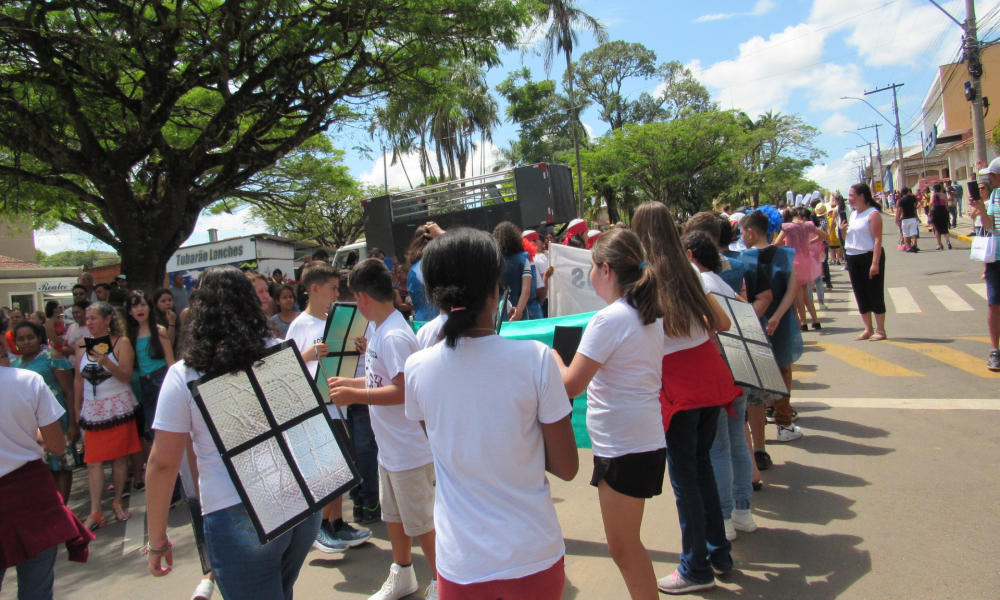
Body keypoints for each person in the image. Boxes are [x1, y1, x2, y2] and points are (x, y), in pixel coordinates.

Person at [406, 228, 578, 599]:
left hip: (460, 564)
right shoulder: (537, 359)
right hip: (534, 554)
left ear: (435, 295)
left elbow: (445, 447)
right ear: (496, 290)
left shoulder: (417, 370)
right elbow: (567, 467)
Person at [145, 265, 321, 599]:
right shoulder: (281, 350)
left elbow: (163, 464)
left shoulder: (185, 375)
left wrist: (157, 542)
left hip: (237, 512)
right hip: (302, 500)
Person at [551, 228, 668, 598]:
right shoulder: (642, 313)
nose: (589, 274)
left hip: (625, 447)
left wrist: (551, 356)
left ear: (606, 269)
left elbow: (571, 384)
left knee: (623, 548)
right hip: (638, 441)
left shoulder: (609, 320)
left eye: (591, 266)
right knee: (626, 545)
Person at [632, 205, 740, 594]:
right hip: (709, 377)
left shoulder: (644, 278)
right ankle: (719, 553)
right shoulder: (691, 271)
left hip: (676, 388)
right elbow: (723, 324)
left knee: (685, 481)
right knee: (702, 468)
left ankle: (696, 567)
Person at [329, 259, 438, 600]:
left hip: (410, 450)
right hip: (391, 449)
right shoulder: (381, 328)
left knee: (423, 523)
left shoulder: (392, 335)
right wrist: (352, 381)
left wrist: (354, 393)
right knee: (393, 516)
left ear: (362, 298)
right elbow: (382, 379)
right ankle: (403, 574)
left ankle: (443, 583)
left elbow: (405, 390)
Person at [0, 312, 94, 600]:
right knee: (37, 590)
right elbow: (55, 445)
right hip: (31, 496)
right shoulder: (27, 381)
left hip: (28, 495)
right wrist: (27, 437)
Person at [285, 263, 372, 554]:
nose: (337, 293)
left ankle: (336, 523)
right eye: (333, 288)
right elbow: (285, 367)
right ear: (314, 289)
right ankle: (319, 526)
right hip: (315, 405)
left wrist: (358, 347)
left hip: (336, 403)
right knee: (332, 468)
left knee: (344, 465)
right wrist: (308, 354)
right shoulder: (300, 325)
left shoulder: (332, 321)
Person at [681, 231, 759, 540]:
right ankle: (742, 512)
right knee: (737, 440)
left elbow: (715, 324)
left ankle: (724, 516)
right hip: (738, 364)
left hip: (719, 369)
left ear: (689, 255)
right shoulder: (721, 280)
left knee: (719, 446)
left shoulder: (702, 283)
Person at [740, 209, 804, 461]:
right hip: (781, 317)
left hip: (756, 318)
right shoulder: (785, 255)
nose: (741, 237)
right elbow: (792, 288)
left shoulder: (743, 258)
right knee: (783, 369)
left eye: (742, 232)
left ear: (750, 231)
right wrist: (778, 315)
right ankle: (784, 421)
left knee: (759, 374)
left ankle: (771, 418)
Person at [74, 301, 142, 530]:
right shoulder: (81, 344)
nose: (89, 322)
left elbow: (126, 375)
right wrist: (77, 407)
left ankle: (117, 502)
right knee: (93, 461)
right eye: (87, 318)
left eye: (94, 318)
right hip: (93, 410)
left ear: (107, 320)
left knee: (120, 458)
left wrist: (105, 362)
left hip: (117, 407)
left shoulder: (122, 343)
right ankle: (95, 511)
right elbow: (77, 379)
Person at [11, 321, 79, 504]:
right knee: (44, 467)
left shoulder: (52, 356)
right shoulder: (13, 363)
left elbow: (69, 391)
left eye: (30, 337)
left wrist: (73, 423)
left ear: (39, 338)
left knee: (62, 465)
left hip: (57, 419)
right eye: (21, 339)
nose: (26, 342)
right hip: (30, 423)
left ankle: (63, 506)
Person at [336, 275, 382, 526]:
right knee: (351, 451)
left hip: (363, 390)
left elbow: (377, 350)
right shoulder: (328, 318)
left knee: (365, 449)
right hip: (341, 392)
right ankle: (357, 500)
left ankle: (370, 501)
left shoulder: (368, 319)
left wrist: (367, 349)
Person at [125, 292, 175, 440]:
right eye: (135, 306)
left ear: (149, 308)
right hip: (142, 383)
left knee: (168, 426)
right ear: (129, 311)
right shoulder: (129, 335)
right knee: (153, 429)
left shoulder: (159, 331)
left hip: (160, 379)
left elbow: (171, 362)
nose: (140, 309)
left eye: (143, 305)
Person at [841, 183, 887, 342]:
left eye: (852, 195)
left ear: (862, 196)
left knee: (874, 292)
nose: (849, 198)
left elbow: (877, 240)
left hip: (868, 256)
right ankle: (868, 328)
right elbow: (850, 238)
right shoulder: (853, 214)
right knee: (860, 294)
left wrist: (875, 263)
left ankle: (880, 329)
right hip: (853, 256)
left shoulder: (872, 214)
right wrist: (842, 231)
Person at [774, 208, 828, 331]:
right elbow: (824, 235)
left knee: (797, 293)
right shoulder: (807, 225)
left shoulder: (787, 227)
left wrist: (785, 244)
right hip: (806, 260)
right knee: (806, 294)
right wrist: (810, 242)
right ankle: (816, 320)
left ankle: (803, 322)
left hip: (793, 261)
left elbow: (777, 243)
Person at [977, 158, 1000, 371]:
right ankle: (995, 350)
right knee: (993, 304)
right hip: (995, 258)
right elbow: (989, 225)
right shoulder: (994, 195)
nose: (988, 179)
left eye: (990, 176)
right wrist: (981, 211)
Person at [493, 221, 540, 321]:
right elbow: (526, 291)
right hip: (520, 314)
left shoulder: (493, 261)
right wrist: (517, 313)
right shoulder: (523, 259)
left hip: (499, 313)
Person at [407, 223, 445, 322]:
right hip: (438, 325)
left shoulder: (413, 269)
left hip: (421, 324)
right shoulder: (431, 264)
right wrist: (443, 235)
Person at [896, 188, 921, 253]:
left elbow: (899, 210)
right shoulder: (913, 198)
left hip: (905, 218)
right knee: (914, 231)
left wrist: (897, 219)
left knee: (906, 233)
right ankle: (915, 244)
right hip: (912, 217)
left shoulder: (901, 200)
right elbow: (915, 206)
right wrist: (917, 217)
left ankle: (909, 246)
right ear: (908, 191)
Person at [929, 182, 952, 250]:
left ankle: (939, 244)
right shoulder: (944, 195)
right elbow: (946, 204)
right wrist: (947, 213)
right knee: (945, 227)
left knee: (937, 228)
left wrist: (930, 212)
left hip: (936, 211)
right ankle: (948, 241)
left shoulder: (933, 195)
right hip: (943, 211)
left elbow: (931, 203)